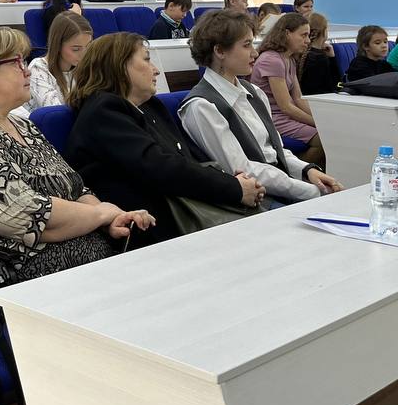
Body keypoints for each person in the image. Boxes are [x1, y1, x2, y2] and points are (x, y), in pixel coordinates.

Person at [0, 23, 153, 282]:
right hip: (18, 275)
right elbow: (26, 215)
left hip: (81, 264)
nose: (27, 70)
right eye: (16, 63)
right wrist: (99, 215)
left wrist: (112, 217)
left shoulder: (23, 126)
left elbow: (75, 188)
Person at [65, 32, 261, 247]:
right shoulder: (103, 113)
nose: (156, 69)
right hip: (150, 228)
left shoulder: (150, 106)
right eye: (147, 59)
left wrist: (232, 179)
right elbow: (163, 168)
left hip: (183, 212)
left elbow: (188, 159)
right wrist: (234, 188)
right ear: (119, 66)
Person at [179, 10, 341, 203]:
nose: (255, 53)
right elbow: (241, 170)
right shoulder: (202, 107)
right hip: (254, 199)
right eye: (247, 45)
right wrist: (309, 191)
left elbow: (276, 151)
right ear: (220, 51)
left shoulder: (255, 92)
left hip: (279, 185)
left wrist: (307, 170)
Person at [251, 14, 326, 168]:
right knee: (323, 139)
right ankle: (293, 171)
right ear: (287, 34)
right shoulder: (272, 60)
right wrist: (318, 123)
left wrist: (320, 119)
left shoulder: (289, 59)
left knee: (328, 133)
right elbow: (286, 106)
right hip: (271, 118)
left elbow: (298, 98)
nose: (307, 40)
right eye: (303, 35)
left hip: (284, 116)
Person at [25, 11, 91, 113]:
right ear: (58, 45)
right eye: (76, 49)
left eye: (88, 47)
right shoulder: (38, 68)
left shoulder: (85, 68)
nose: (84, 54)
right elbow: (56, 114)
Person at [299, 12, 340, 95]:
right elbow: (336, 85)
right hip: (320, 99)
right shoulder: (319, 58)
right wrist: (332, 58)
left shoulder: (301, 53)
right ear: (324, 32)